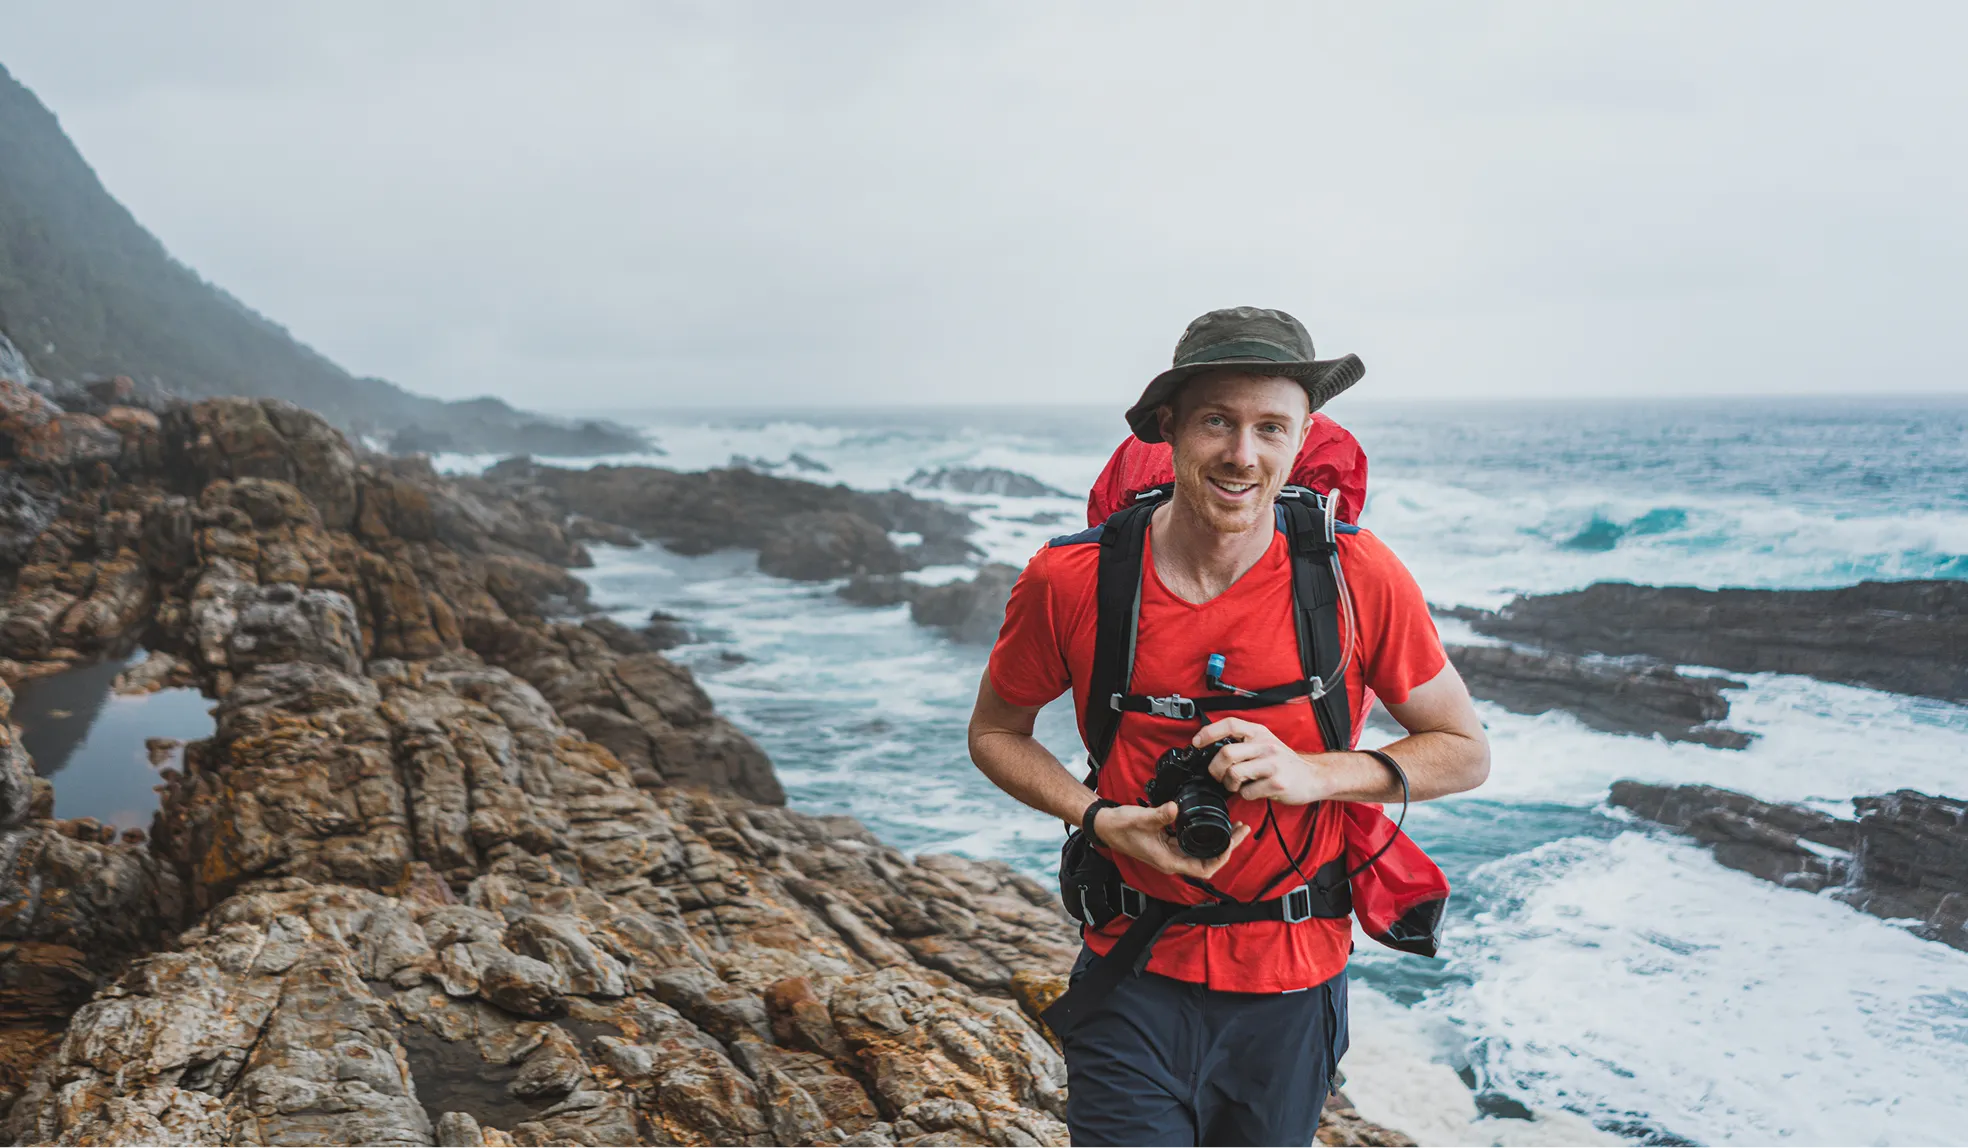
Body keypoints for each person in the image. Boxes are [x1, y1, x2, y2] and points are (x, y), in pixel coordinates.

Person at [968, 307, 1490, 1147]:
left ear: (1303, 434)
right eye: (1218, 421)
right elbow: (995, 732)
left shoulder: (1356, 578)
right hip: (1130, 967)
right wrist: (1101, 819)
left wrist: (1317, 773)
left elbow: (1464, 751)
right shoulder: (1074, 581)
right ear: (1169, 429)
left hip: (1292, 985)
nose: (1243, 455)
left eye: (1270, 427)